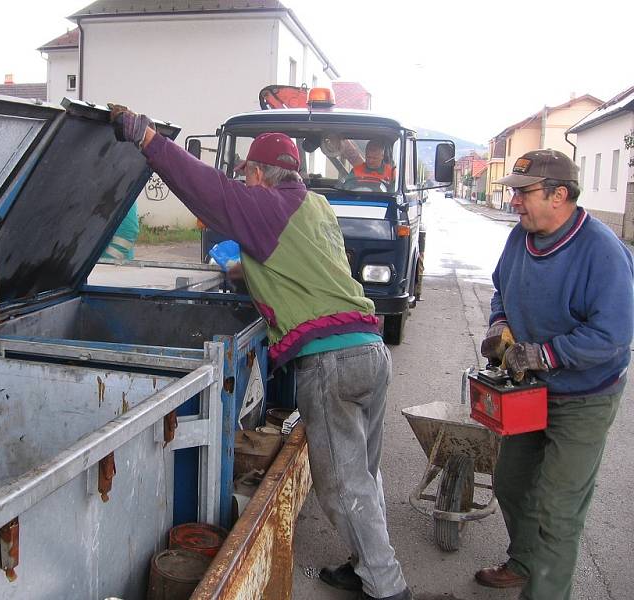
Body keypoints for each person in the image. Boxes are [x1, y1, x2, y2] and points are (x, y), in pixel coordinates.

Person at [108, 104, 413, 600]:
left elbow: (203, 187)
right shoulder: (312, 206)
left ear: (258, 173)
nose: (241, 180)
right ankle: (366, 565)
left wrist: (148, 142)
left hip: (331, 362)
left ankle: (388, 587)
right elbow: (302, 265)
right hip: (371, 352)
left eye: (245, 172)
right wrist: (242, 271)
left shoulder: (263, 205)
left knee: (341, 486)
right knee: (363, 473)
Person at [476, 149, 633, 599]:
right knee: (511, 482)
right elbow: (501, 290)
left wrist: (544, 354)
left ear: (559, 195)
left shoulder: (601, 251)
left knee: (557, 512)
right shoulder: (519, 239)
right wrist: (499, 325)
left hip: (586, 395)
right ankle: (524, 563)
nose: (514, 202)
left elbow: (614, 336)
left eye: (524, 193)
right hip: (531, 390)